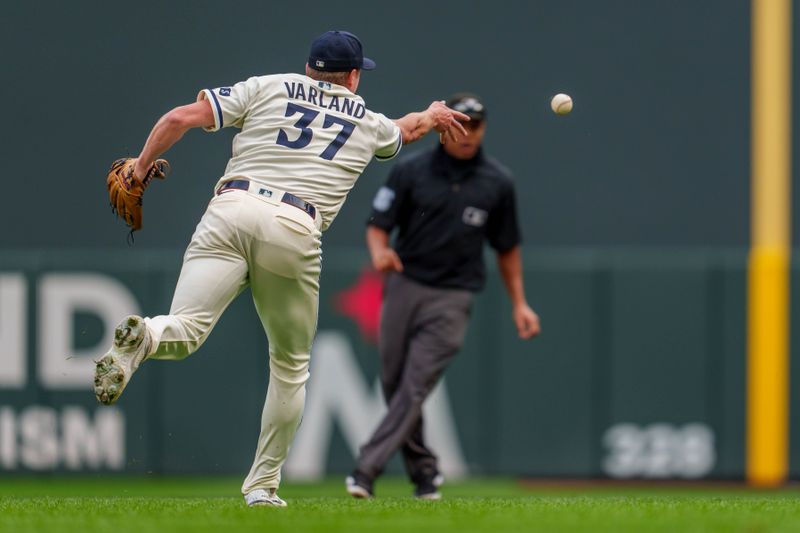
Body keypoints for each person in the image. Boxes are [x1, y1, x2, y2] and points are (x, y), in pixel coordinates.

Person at [92, 30, 469, 508]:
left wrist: (143, 167)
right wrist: (433, 115)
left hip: (229, 209)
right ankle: (262, 487)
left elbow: (178, 118)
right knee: (290, 367)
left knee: (185, 328)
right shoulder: (368, 123)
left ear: (310, 67)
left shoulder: (268, 86)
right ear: (353, 77)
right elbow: (408, 129)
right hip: (293, 225)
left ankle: (144, 335)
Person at [346, 93, 541, 500]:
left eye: (477, 125)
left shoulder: (497, 182)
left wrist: (519, 302)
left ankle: (366, 469)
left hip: (454, 295)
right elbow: (378, 223)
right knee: (395, 381)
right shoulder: (410, 171)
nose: (468, 133)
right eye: (461, 124)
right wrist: (379, 252)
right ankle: (425, 473)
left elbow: (507, 248)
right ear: (445, 125)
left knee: (415, 384)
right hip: (405, 284)